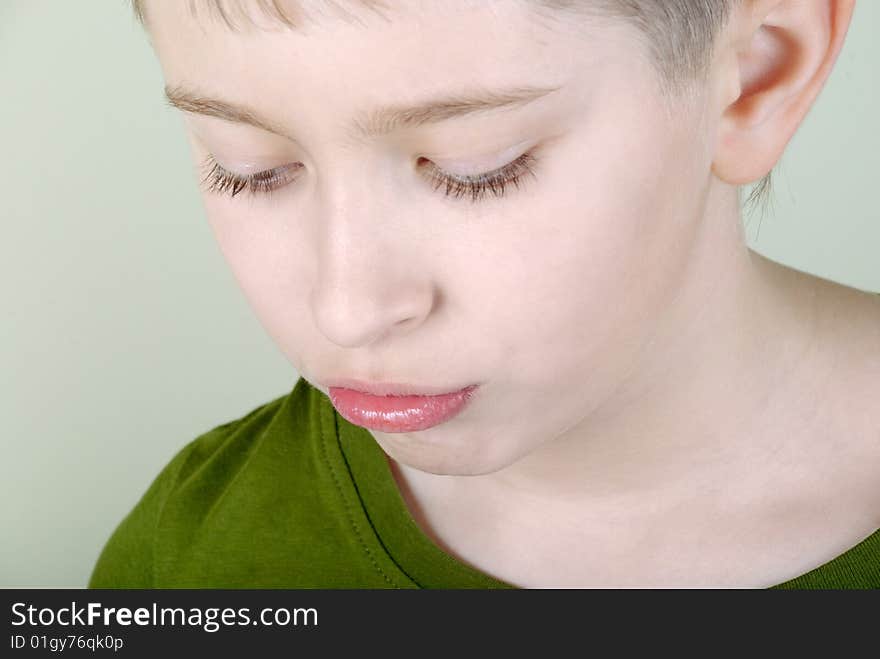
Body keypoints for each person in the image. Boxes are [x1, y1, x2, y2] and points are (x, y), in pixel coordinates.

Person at [88, 0, 879, 589]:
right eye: (248, 165)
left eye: (477, 165)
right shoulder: (188, 551)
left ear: (756, 79)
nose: (349, 308)